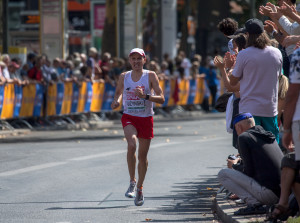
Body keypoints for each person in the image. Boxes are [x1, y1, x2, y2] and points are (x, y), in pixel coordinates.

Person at [111, 48, 165, 206]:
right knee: (131, 144)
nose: (136, 62)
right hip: (129, 117)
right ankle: (132, 181)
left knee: (143, 158)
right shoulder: (124, 76)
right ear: (129, 61)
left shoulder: (150, 75)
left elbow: (161, 98)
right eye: (133, 59)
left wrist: (146, 96)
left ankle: (140, 188)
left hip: (146, 118)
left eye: (138, 59)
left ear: (144, 60)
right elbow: (118, 93)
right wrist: (117, 102)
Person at [218, 113, 283, 216]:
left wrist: (234, 165)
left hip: (268, 195)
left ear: (238, 127)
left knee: (223, 174)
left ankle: (254, 205)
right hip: (283, 194)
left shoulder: (244, 137)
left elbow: (248, 172)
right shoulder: (268, 135)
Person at [229, 18, 282, 143]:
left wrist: (230, 67)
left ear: (247, 35)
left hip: (249, 109)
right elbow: (279, 76)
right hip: (270, 107)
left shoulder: (244, 54)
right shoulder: (276, 52)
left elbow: (233, 82)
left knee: (252, 144)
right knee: (272, 143)